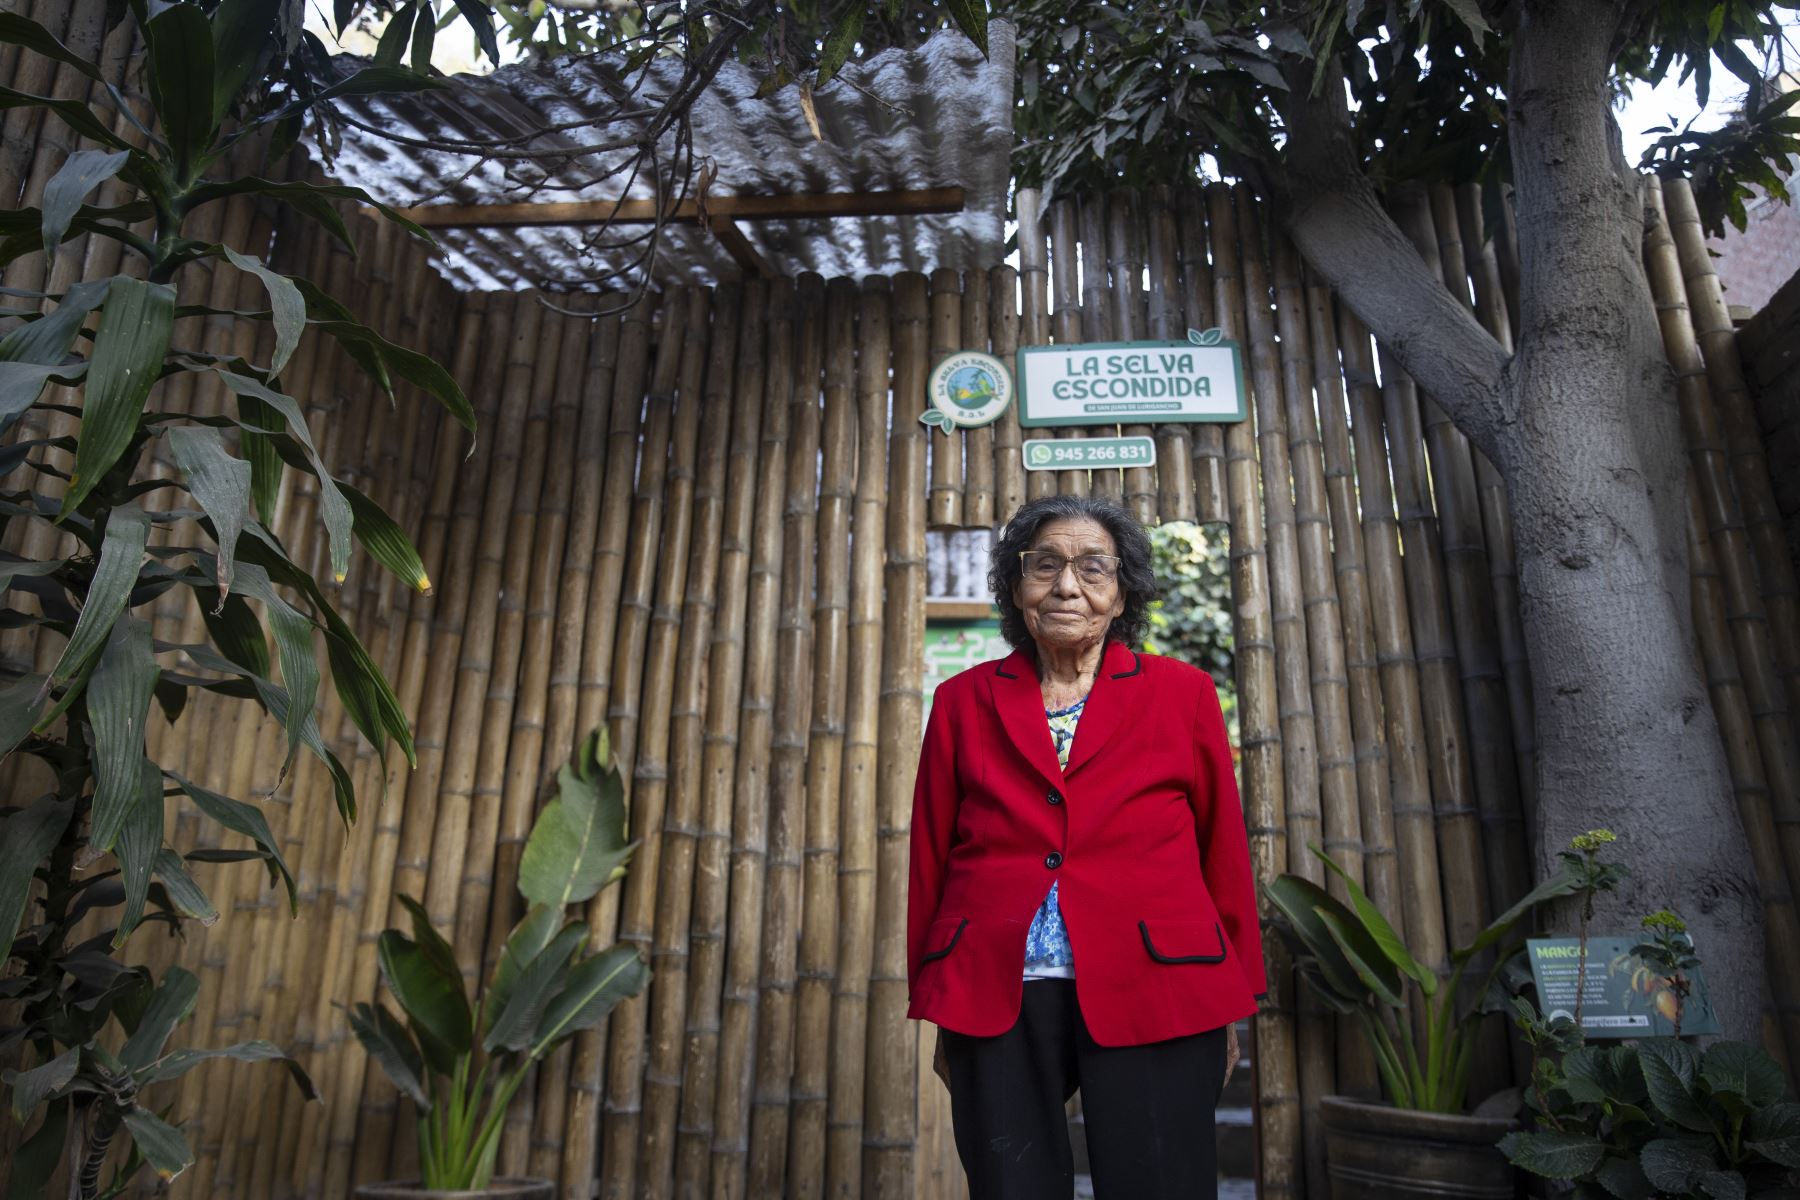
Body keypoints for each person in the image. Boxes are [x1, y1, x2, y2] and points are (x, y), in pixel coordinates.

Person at [907, 495, 1266, 1200]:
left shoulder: (1183, 694)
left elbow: (1222, 851)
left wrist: (1230, 1001)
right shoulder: (961, 701)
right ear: (1016, 586)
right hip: (996, 987)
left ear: (1122, 589)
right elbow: (931, 855)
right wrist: (939, 998)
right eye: (1045, 566)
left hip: (1159, 982)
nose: (1067, 586)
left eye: (1092, 568)